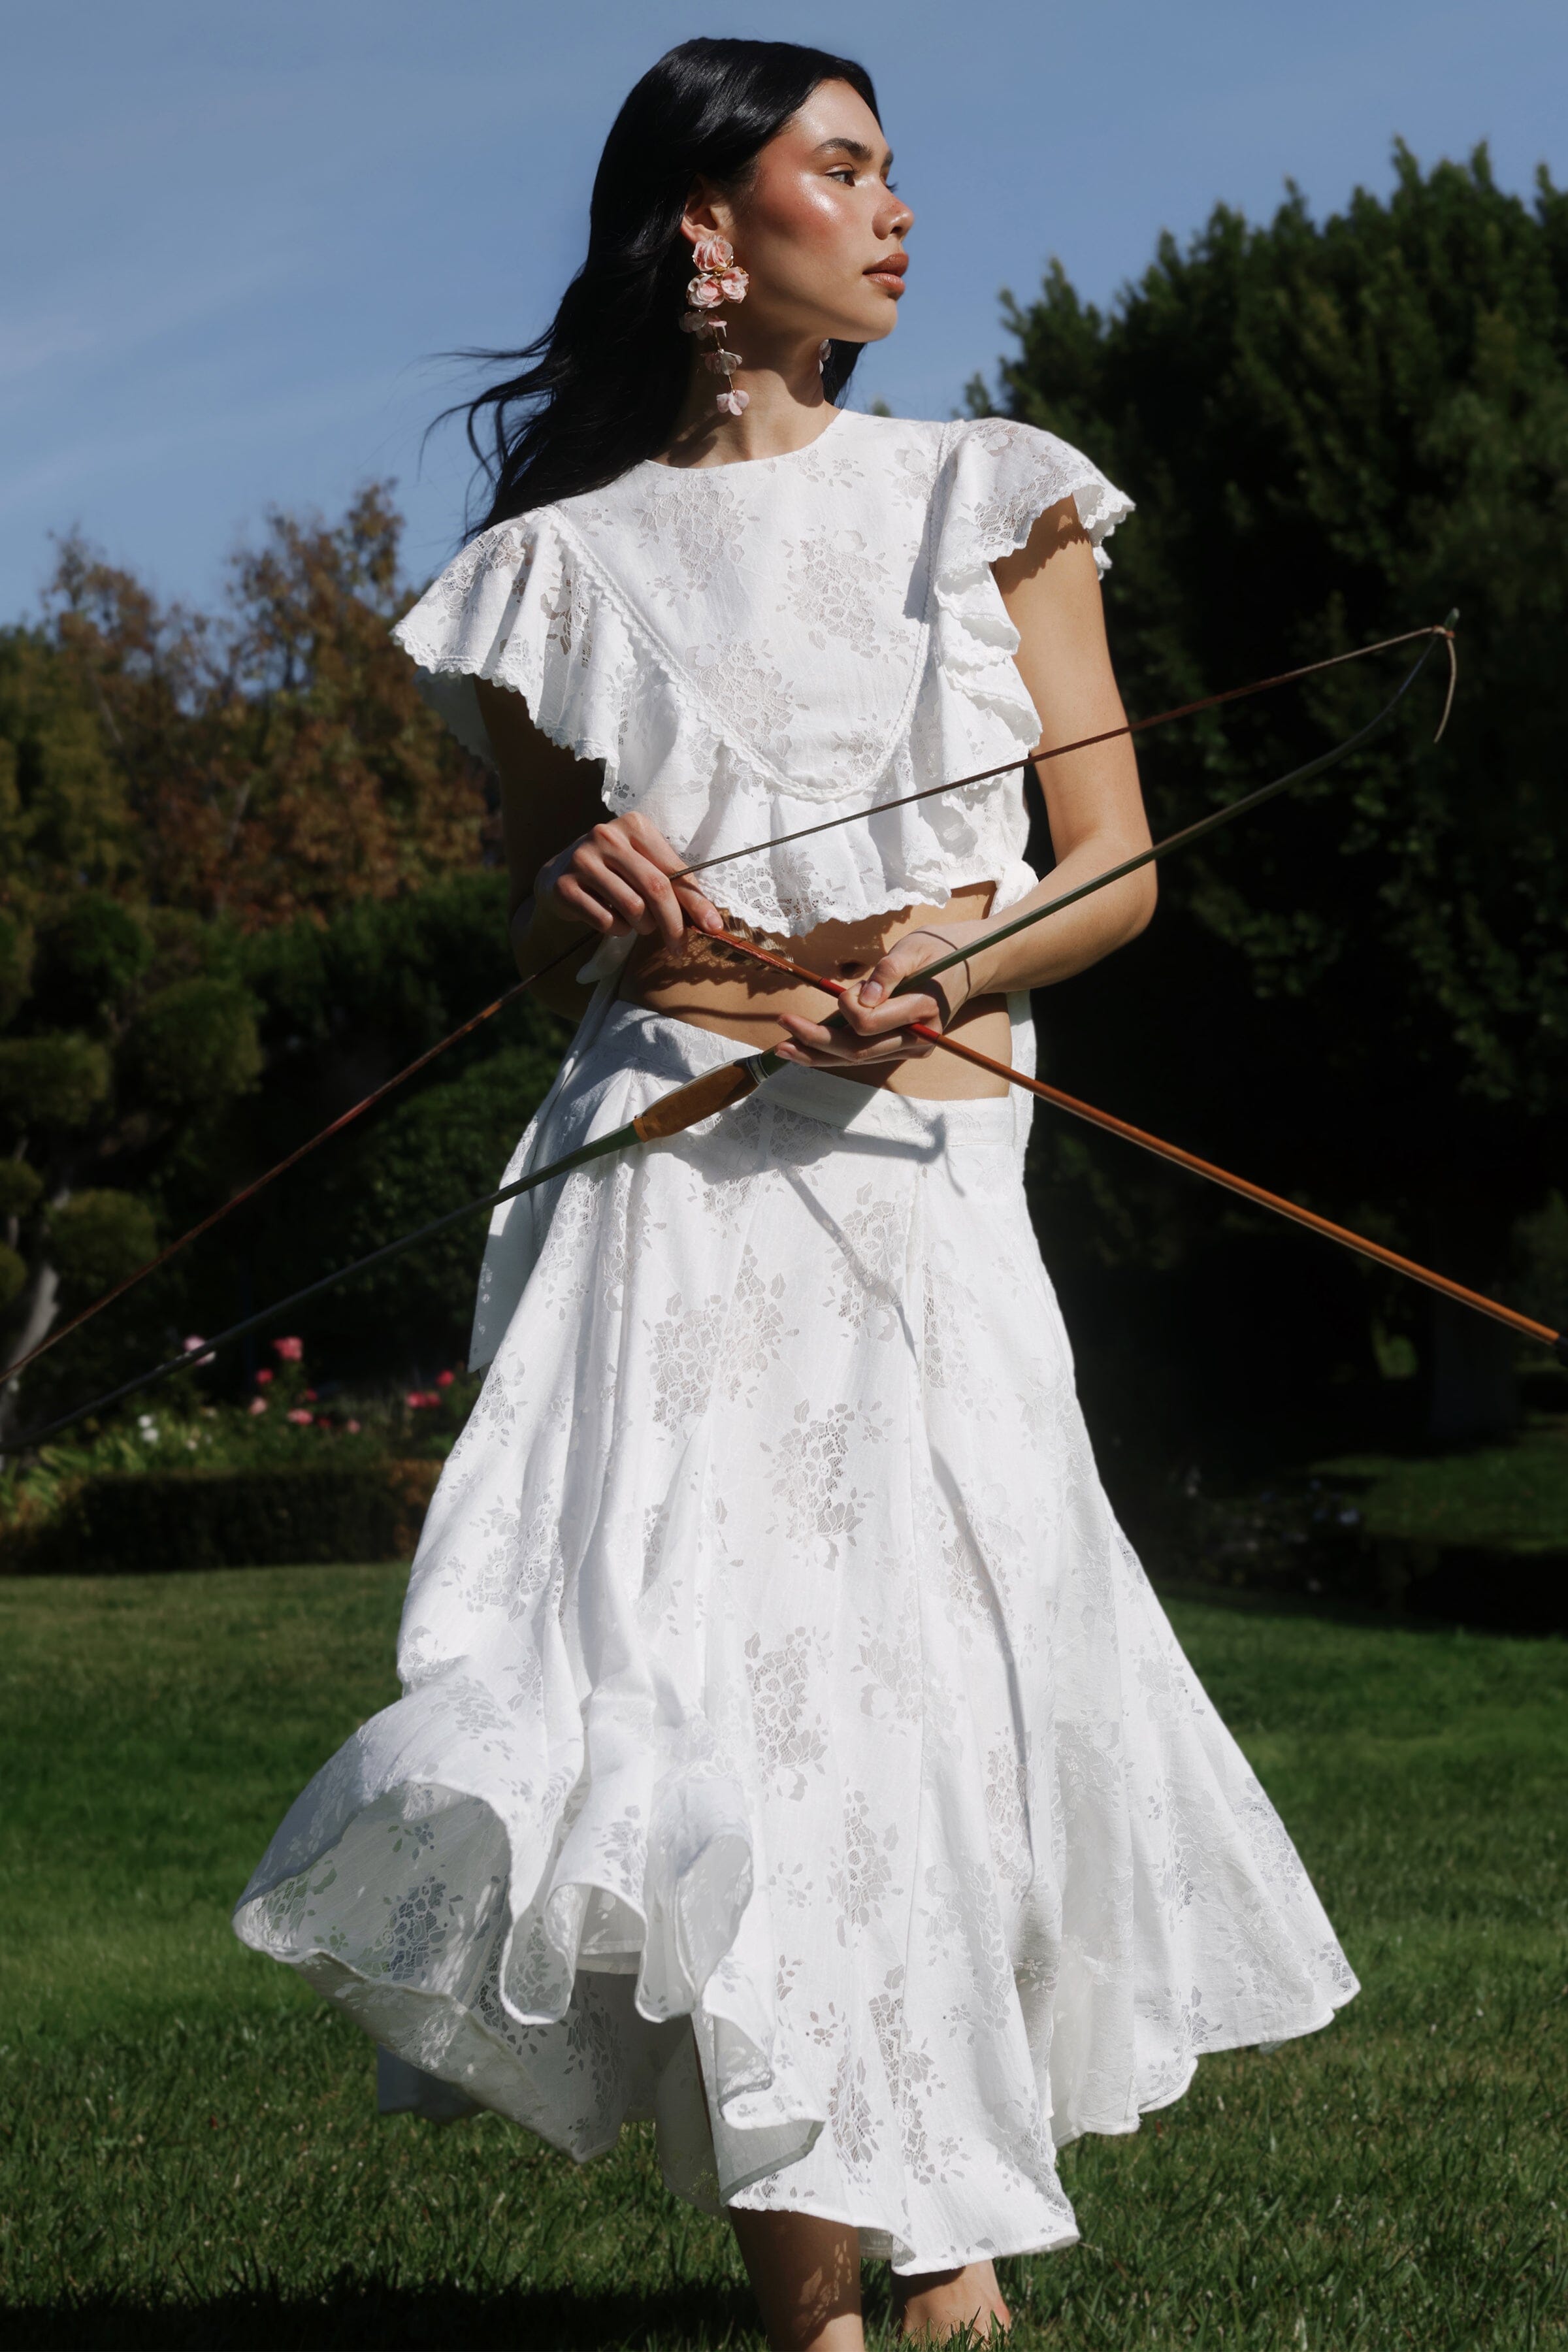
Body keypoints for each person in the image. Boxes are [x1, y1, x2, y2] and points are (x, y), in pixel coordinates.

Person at [235, 39, 1356, 2350]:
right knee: (723, 1711)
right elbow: (534, 932)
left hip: (921, 1173)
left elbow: (1113, 867)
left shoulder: (994, 490)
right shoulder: (543, 573)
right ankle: (827, 2301)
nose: (897, 206)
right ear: (707, 234)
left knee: (927, 1697)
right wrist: (593, 891)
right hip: (661, 1198)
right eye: (841, 167)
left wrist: (941, 958)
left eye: (894, 167)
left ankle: (939, 2251)